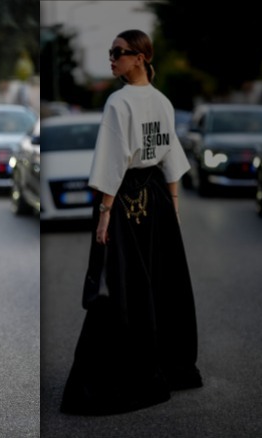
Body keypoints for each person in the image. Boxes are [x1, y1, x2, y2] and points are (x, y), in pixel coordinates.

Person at [60, 29, 202, 415]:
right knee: (160, 280)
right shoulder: (162, 102)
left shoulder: (119, 103)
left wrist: (105, 214)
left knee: (120, 285)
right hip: (155, 197)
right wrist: (171, 205)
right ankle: (169, 363)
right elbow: (170, 159)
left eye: (120, 53)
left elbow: (114, 159)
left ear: (140, 57)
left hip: (124, 199)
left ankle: (128, 367)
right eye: (111, 53)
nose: (113, 59)